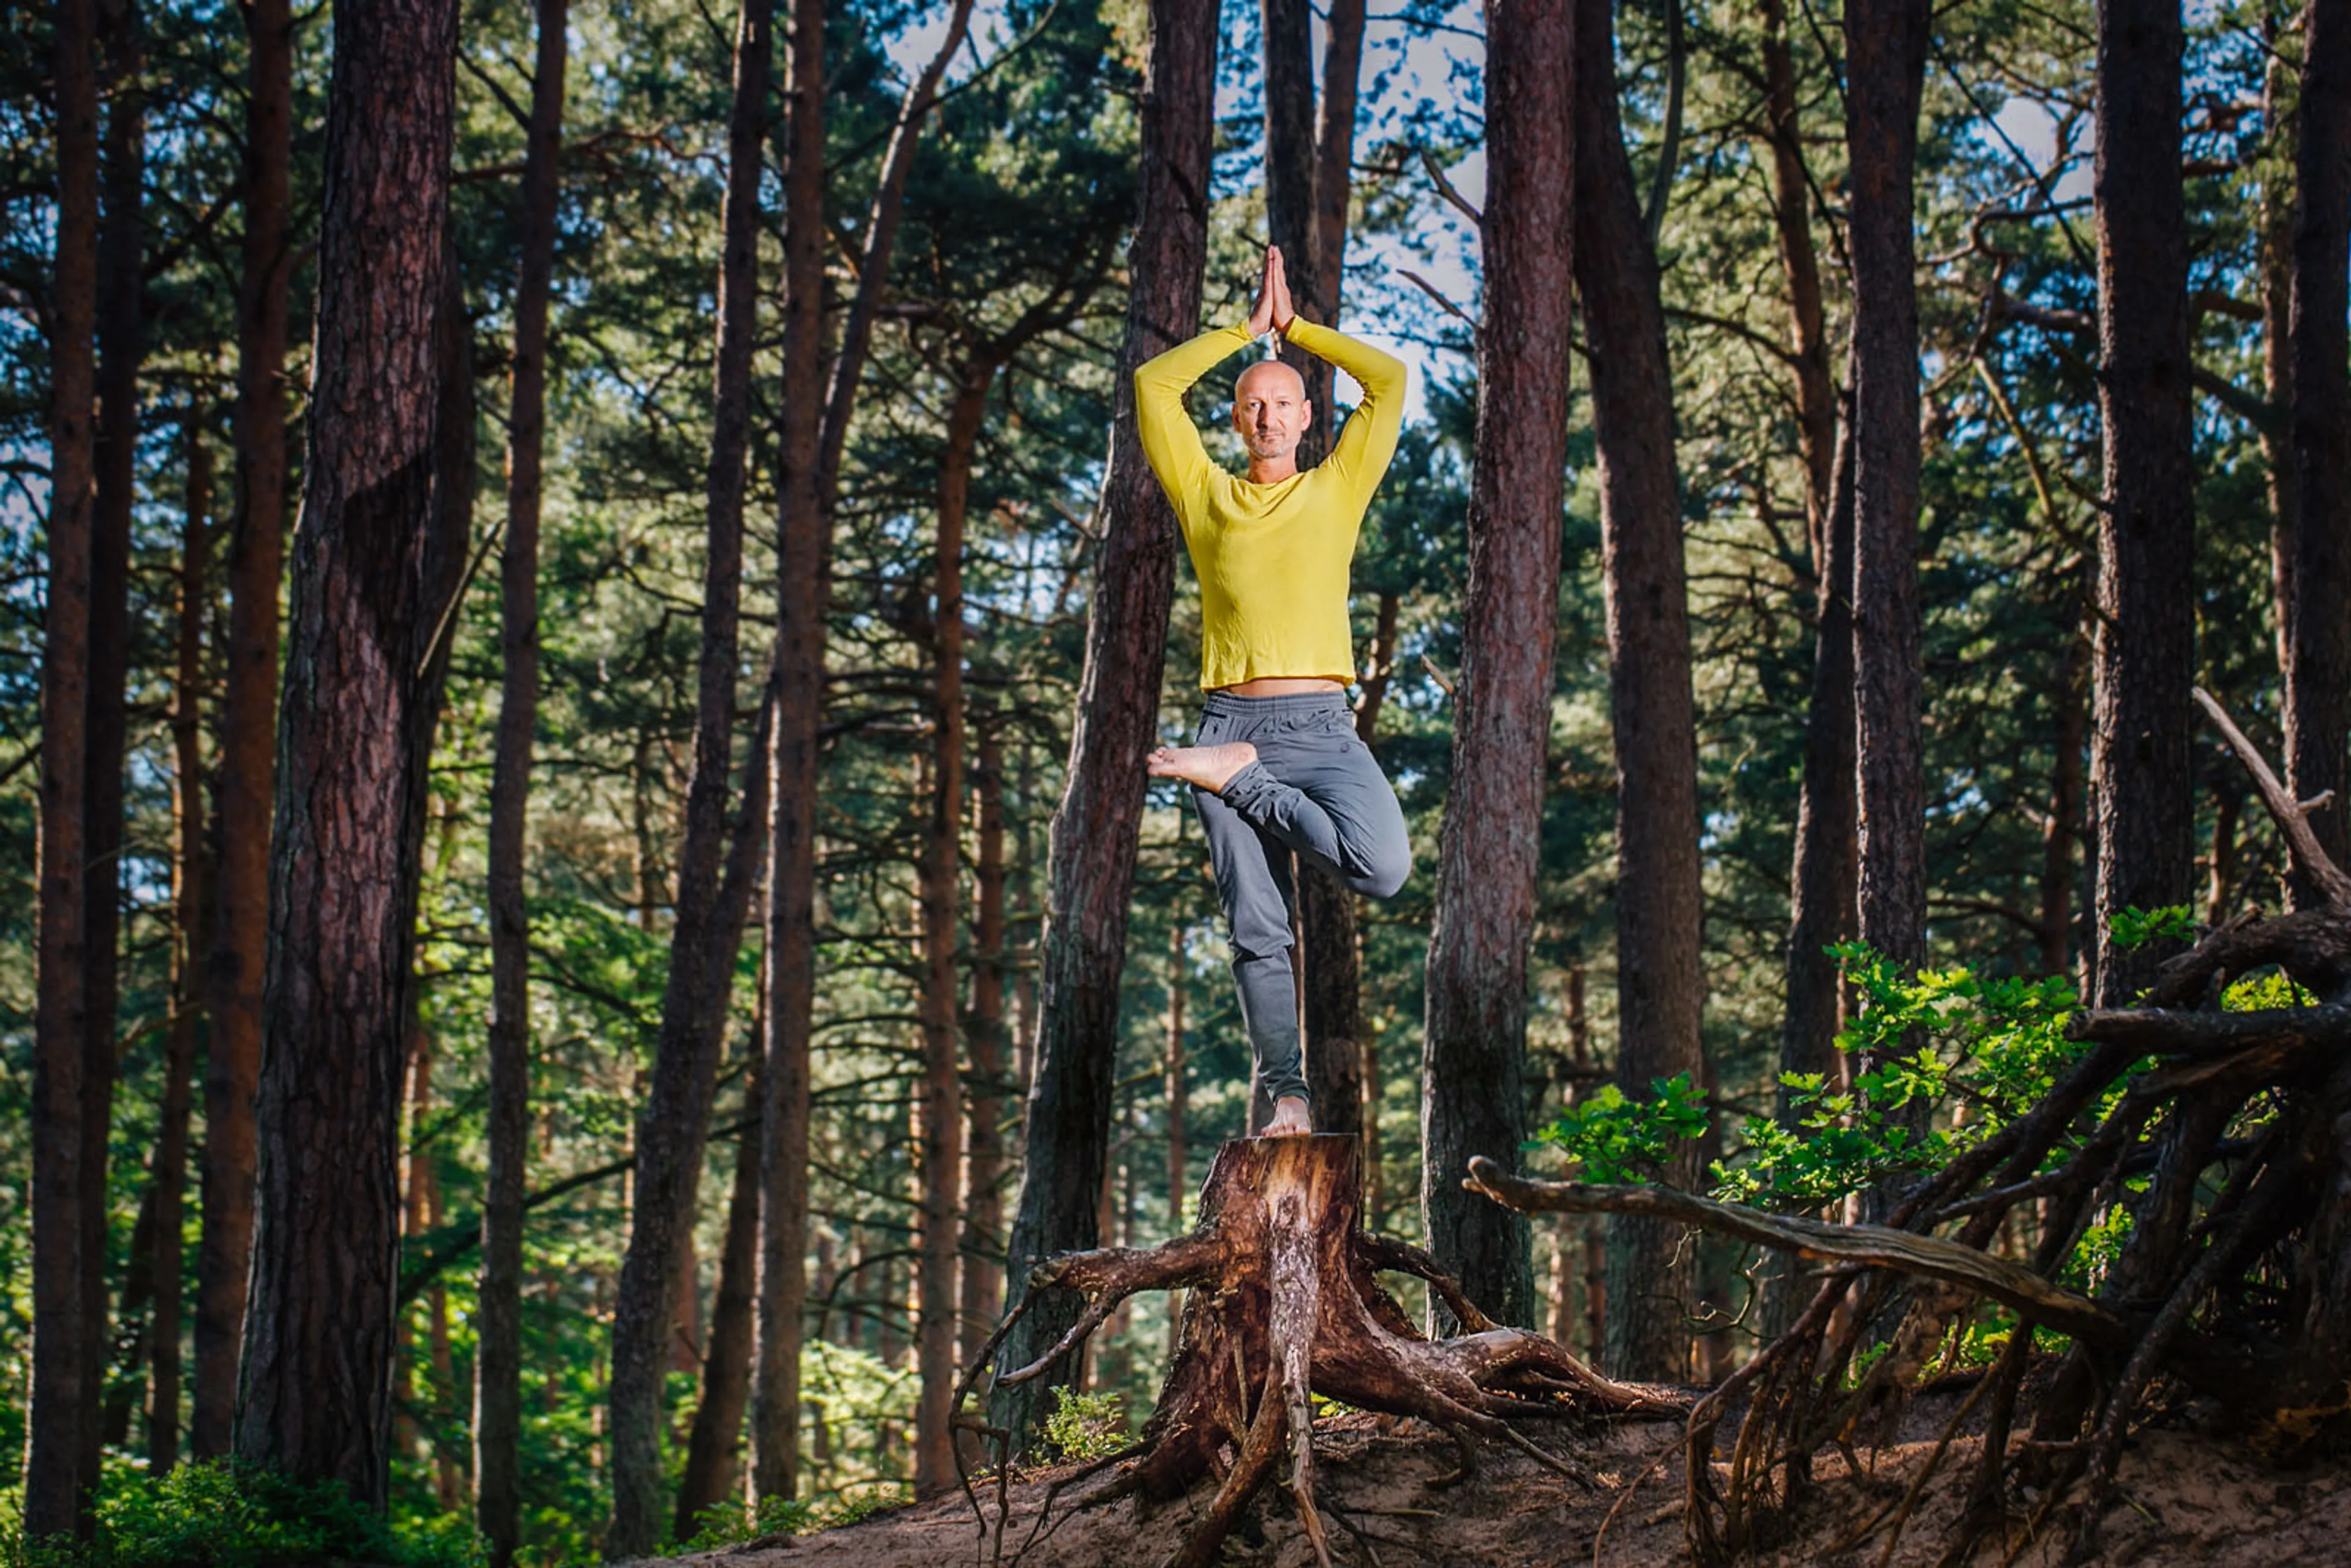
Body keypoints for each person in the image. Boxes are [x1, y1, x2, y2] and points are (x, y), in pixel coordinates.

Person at [1138, 244, 1411, 1138]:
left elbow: (1389, 380)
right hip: (1231, 717)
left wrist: (1297, 330)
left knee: (1383, 867)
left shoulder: (1339, 486)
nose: (1267, 415)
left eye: (1283, 402)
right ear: (1236, 418)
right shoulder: (1204, 494)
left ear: (1306, 416)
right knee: (1257, 926)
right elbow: (1152, 387)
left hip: (1321, 730)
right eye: (1253, 404)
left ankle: (1238, 778)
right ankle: (1287, 1094)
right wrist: (1243, 332)